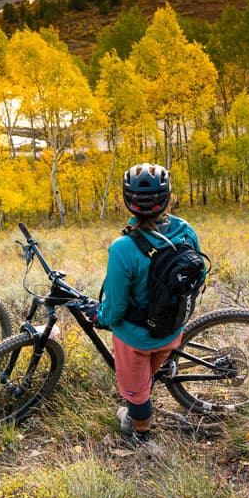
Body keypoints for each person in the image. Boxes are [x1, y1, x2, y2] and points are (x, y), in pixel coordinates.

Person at [89, 162, 200, 450]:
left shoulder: (122, 248)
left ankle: (141, 434)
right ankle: (150, 382)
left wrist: (97, 316)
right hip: (174, 329)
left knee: (136, 394)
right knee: (150, 371)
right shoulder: (187, 231)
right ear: (167, 198)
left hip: (137, 340)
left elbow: (113, 310)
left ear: (129, 201)